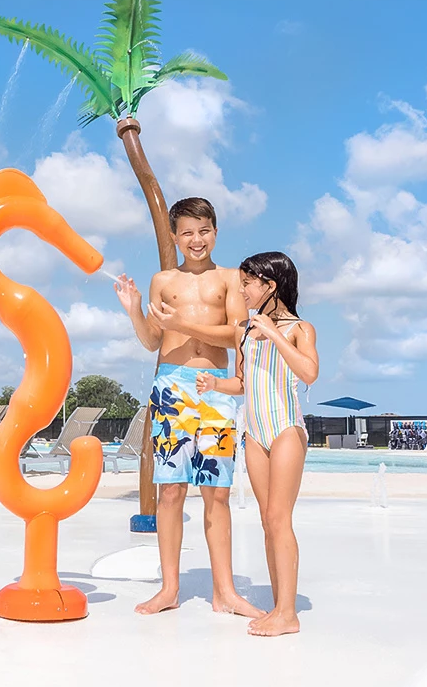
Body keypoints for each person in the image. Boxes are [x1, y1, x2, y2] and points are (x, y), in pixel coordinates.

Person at [114, 197, 263, 619]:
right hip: (172, 388)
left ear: (215, 231)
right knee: (171, 491)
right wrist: (134, 312)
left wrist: (183, 325)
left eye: (204, 230)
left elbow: (236, 335)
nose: (196, 240)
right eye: (187, 233)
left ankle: (226, 592)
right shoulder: (162, 280)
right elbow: (151, 341)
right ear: (175, 237)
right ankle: (169, 589)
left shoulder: (231, 278)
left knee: (216, 493)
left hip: (214, 388)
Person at [197, 251, 319, 637]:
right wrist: (217, 385)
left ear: (271, 285)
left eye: (249, 282)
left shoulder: (301, 328)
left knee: (280, 519)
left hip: (285, 429)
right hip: (255, 431)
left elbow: (309, 373)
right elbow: (244, 383)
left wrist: (275, 334)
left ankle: (289, 613)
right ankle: (279, 607)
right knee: (267, 521)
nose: (243, 289)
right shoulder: (243, 332)